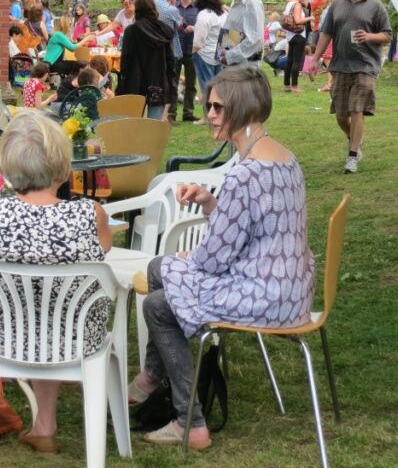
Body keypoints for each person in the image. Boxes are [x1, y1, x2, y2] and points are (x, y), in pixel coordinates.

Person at [129, 66, 315, 450]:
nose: (209, 113)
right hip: (291, 290)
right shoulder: (286, 158)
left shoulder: (244, 175)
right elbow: (255, 231)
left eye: (216, 106)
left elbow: (212, 261)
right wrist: (213, 204)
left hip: (264, 297)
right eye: (207, 104)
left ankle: (189, 421)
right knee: (159, 270)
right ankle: (153, 380)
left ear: (241, 109)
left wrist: (187, 259)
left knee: (160, 306)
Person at [0, 111, 112, 453]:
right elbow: (103, 249)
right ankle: (44, 424)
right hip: (74, 336)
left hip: (4, 333)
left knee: (36, 304)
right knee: (53, 306)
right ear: (63, 163)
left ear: (9, 164)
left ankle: (43, 426)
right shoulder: (91, 213)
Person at [309, 0, 392, 173]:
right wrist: (315, 59)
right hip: (341, 65)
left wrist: (369, 36)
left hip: (366, 65)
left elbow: (387, 35)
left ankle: (352, 156)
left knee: (357, 109)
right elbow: (326, 33)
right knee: (340, 114)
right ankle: (354, 139)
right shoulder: (336, 5)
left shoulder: (376, 5)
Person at [117, 0, 176, 120]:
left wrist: (123, 81)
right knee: (153, 125)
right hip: (157, 81)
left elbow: (125, 60)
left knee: (134, 123)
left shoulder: (131, 31)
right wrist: (170, 81)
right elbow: (170, 60)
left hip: (135, 82)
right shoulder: (163, 31)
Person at [217, 0, 264, 66]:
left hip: (244, 67)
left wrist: (230, 56)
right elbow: (234, 31)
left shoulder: (252, 3)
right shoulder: (238, 2)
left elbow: (254, 39)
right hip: (234, 65)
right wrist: (222, 53)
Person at [191, 0, 227, 113]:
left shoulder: (204, 15)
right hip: (220, 53)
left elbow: (199, 39)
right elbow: (227, 33)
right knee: (218, 88)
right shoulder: (223, 13)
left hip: (205, 54)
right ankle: (219, 111)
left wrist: (193, 50)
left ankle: (208, 115)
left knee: (207, 87)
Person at [155, 0, 184, 123]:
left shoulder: (152, 5)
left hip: (154, 51)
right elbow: (179, 24)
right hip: (171, 50)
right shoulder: (171, 10)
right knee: (171, 83)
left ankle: (157, 112)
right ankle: (168, 116)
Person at [174, 0, 199, 121]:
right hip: (176, 50)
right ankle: (171, 113)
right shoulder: (174, 8)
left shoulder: (197, 8)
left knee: (191, 83)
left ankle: (188, 112)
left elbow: (202, 26)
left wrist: (194, 28)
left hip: (191, 50)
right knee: (173, 82)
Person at [282, 0, 313, 93]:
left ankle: (286, 85)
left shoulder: (290, 3)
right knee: (296, 61)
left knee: (290, 60)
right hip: (299, 35)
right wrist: (310, 17)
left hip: (290, 35)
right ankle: (295, 86)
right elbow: (298, 20)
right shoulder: (297, 5)